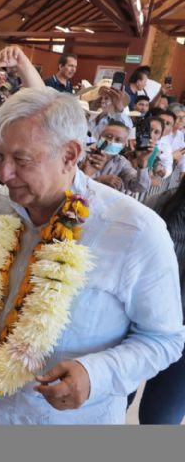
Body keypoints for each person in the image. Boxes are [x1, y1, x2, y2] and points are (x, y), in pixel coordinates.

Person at [0, 87, 185, 424]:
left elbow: (164, 338)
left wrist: (95, 374)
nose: (4, 174)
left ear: (70, 155)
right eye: (1, 156)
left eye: (21, 160)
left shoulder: (134, 231)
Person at [136, 181, 185, 424]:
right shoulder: (157, 207)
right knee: (110, 401)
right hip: (137, 326)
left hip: (183, 347)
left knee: (161, 420)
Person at [80, 120, 151, 193]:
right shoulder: (83, 155)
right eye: (108, 136)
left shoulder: (122, 163)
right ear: (99, 136)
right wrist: (98, 181)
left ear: (124, 144)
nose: (111, 141)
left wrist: (143, 161)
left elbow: (141, 187)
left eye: (118, 140)